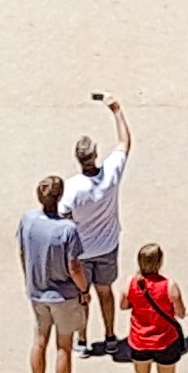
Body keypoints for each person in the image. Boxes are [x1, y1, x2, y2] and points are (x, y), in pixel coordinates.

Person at [69, 94, 133, 351]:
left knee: (82, 297)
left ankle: (82, 341)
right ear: (95, 156)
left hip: (81, 252)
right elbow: (125, 142)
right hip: (107, 248)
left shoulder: (71, 188)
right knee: (105, 292)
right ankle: (109, 337)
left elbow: (63, 218)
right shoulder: (111, 174)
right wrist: (116, 109)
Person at [21, 172, 86, 373]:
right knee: (64, 347)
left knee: (39, 341)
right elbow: (75, 267)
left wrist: (30, 280)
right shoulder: (67, 229)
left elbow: (21, 252)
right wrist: (84, 289)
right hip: (63, 296)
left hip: (37, 292)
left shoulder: (28, 220)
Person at [124, 241, 188, 373]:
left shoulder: (131, 283)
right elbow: (181, 313)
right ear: (160, 262)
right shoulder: (169, 286)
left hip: (139, 340)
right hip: (165, 342)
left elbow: (123, 305)